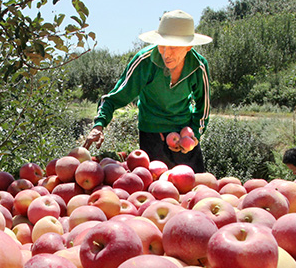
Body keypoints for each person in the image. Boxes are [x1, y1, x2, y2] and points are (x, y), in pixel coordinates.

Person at [82, 10, 212, 172]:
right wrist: (99, 125)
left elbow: (203, 106)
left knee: (194, 183)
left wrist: (194, 137)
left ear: (188, 47)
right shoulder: (145, 62)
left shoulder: (198, 66)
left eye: (173, 47)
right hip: (152, 134)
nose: (166, 54)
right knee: (155, 184)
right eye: (162, 45)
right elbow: (114, 98)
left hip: (184, 132)